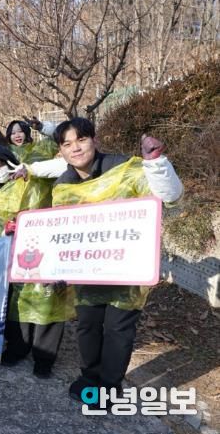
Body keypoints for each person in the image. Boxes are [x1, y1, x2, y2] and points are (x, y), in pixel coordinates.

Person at [49, 118, 183, 401]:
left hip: (125, 269)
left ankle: (110, 387)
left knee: (117, 329)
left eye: (81, 139)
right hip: (86, 269)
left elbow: (169, 196)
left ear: (94, 140)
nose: (75, 148)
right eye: (67, 144)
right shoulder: (63, 185)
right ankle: (89, 378)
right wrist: (54, 268)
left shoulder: (123, 168)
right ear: (60, 151)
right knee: (87, 325)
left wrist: (156, 164)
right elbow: (61, 231)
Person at [0, 142, 73, 379]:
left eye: (1, 163)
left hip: (48, 247)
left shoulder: (33, 179)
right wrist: (6, 231)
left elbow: (66, 165)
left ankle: (44, 358)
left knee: (49, 300)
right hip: (17, 255)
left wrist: (31, 169)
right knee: (17, 303)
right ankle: (18, 348)